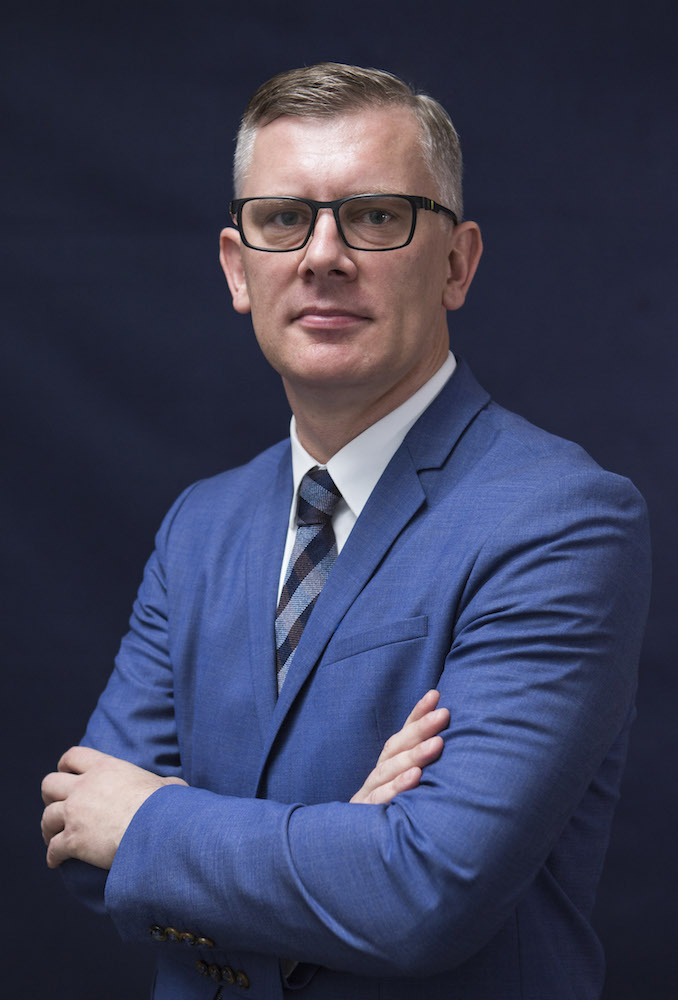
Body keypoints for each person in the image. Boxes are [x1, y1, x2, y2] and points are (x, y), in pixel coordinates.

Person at [41, 63, 651, 999]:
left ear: (456, 264)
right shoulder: (200, 524)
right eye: (284, 218)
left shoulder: (561, 520)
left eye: (374, 216)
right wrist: (348, 854)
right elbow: (82, 840)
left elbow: (423, 893)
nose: (323, 255)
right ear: (239, 268)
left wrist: (156, 832)